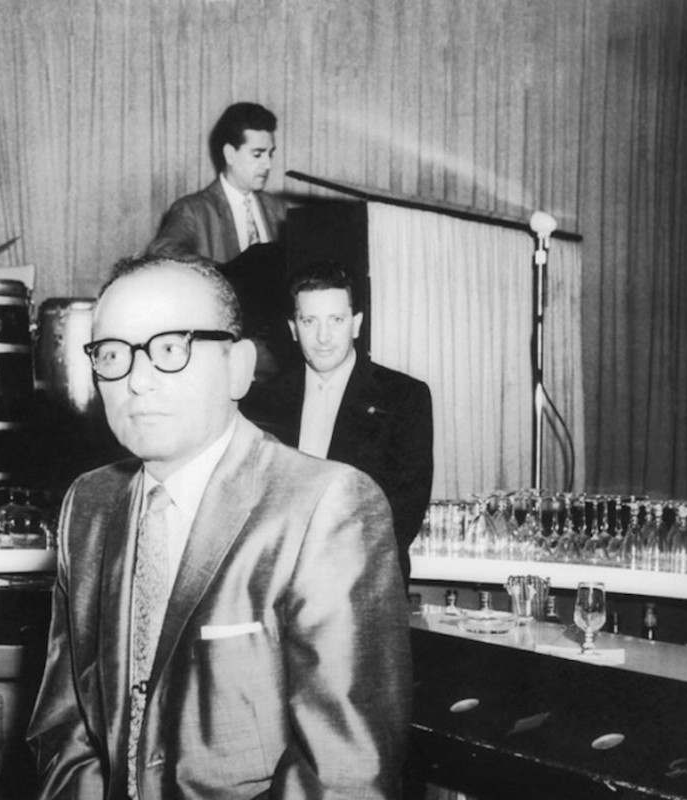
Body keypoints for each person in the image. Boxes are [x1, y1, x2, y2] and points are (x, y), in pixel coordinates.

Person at [26, 255, 410, 799]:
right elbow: (66, 731)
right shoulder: (89, 503)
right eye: (112, 354)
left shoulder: (324, 506)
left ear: (238, 368)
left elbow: (344, 777)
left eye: (169, 349)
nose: (136, 381)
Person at [242, 263, 434, 583]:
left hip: (365, 584)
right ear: (293, 328)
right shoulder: (264, 402)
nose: (323, 337)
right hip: (281, 588)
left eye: (336, 320)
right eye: (309, 321)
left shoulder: (403, 397)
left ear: (355, 324)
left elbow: (404, 509)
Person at [146, 102, 287, 264]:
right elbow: (163, 252)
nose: (268, 164)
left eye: (270, 154)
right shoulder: (192, 210)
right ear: (230, 154)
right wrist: (226, 275)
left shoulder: (279, 209)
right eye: (257, 154)